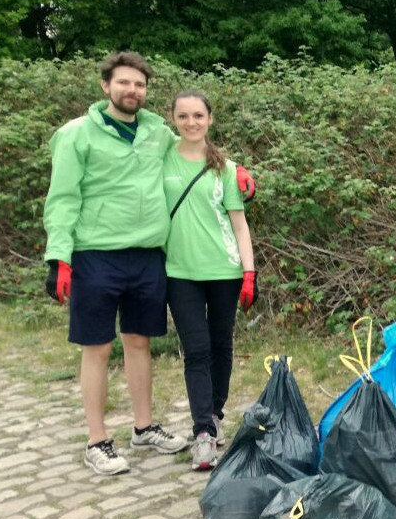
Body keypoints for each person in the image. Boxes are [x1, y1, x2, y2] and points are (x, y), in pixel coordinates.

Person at [43, 51, 189, 475]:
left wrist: (232, 173)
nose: (132, 91)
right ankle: (97, 440)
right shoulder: (76, 135)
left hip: (146, 255)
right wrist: (59, 258)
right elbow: (63, 199)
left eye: (140, 85)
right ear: (105, 86)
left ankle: (143, 427)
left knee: (140, 342)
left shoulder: (156, 132)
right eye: (124, 83)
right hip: (95, 255)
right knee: (98, 347)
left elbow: (192, 150)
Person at [163, 90, 257, 471]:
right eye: (183, 116)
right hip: (178, 272)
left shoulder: (225, 168)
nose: (191, 122)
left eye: (198, 115)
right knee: (196, 349)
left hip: (224, 270)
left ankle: (215, 414)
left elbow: (239, 224)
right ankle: (202, 432)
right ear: (172, 119)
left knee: (221, 345)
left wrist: (249, 272)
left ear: (210, 119)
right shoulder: (161, 156)